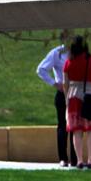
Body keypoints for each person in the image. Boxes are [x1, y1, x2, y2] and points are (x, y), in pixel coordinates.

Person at [62, 35, 91, 169]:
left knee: (77, 130)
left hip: (74, 96)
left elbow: (66, 83)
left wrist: (66, 98)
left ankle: (80, 160)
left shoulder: (69, 62)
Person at [36, 33, 74, 167]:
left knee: (75, 126)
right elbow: (41, 69)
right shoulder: (56, 53)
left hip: (76, 93)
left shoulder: (77, 52)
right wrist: (54, 83)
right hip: (63, 92)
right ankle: (63, 158)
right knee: (63, 126)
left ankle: (75, 158)